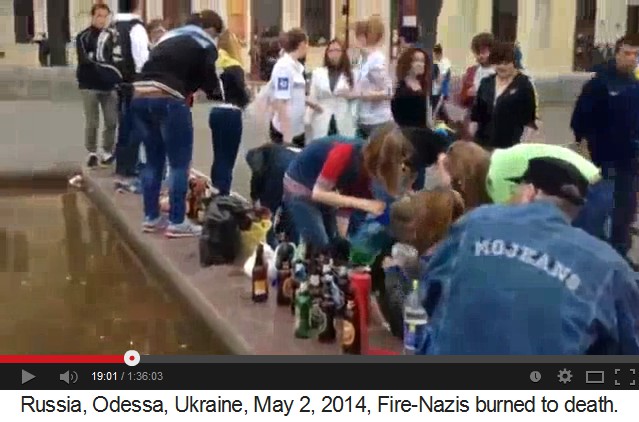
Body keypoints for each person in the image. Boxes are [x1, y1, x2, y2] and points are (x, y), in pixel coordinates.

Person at [419, 157, 639, 355]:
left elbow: (427, 295)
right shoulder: (609, 265)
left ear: (530, 192)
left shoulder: (477, 221)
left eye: (515, 188)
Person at [130, 10, 223, 238]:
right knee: (179, 163)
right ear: (211, 30)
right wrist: (216, 94)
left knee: (152, 162)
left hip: (140, 96)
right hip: (170, 98)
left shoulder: (167, 37)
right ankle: (177, 221)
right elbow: (208, 80)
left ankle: (151, 217)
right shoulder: (204, 42)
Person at [282, 124, 414, 249]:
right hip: (301, 184)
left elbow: (347, 207)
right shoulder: (345, 151)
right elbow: (318, 194)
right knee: (320, 243)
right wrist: (365, 204)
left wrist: (342, 240)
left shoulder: (370, 172)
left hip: (329, 190)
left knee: (336, 244)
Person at [571, 34, 639, 260]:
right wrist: (583, 149)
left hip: (630, 161)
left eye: (635, 55)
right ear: (617, 53)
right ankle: (591, 255)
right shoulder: (599, 83)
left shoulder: (635, 85)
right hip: (602, 161)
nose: (631, 59)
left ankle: (619, 255)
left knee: (625, 211)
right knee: (598, 210)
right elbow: (580, 119)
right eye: (626, 53)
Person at [470, 41, 538, 149]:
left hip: (510, 148)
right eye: (497, 63)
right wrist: (471, 143)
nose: (501, 67)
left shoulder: (524, 85)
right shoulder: (486, 83)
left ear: (514, 63)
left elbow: (530, 123)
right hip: (482, 146)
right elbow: (475, 117)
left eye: (506, 63)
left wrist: (522, 146)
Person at [75, 3, 119, 168]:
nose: (102, 19)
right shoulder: (83, 37)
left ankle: (107, 151)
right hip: (89, 85)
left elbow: (116, 59)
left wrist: (114, 76)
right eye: (99, 16)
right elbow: (86, 61)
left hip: (109, 87)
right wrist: (107, 68)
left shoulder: (112, 37)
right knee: (92, 121)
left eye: (105, 16)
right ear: (92, 17)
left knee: (111, 120)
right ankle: (92, 152)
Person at [208, 29, 250, 196]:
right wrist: (248, 100)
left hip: (216, 111)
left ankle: (215, 190)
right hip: (232, 112)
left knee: (218, 156)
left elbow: (210, 91)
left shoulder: (216, 65)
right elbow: (241, 92)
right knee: (228, 158)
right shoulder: (234, 65)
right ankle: (223, 194)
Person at [113, 0, 150, 177]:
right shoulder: (136, 27)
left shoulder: (113, 26)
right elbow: (142, 59)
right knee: (136, 125)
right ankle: (131, 165)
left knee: (124, 125)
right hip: (135, 82)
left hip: (119, 80)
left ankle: (121, 164)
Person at [347, 16, 394, 138]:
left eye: (352, 36)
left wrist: (363, 95)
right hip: (363, 118)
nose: (349, 40)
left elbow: (388, 91)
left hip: (378, 120)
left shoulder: (377, 59)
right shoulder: (363, 59)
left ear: (362, 37)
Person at [305, 39, 357, 140]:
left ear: (343, 53)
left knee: (344, 148)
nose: (334, 54)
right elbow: (312, 96)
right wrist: (307, 119)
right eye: (330, 51)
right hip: (322, 117)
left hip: (344, 117)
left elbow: (356, 98)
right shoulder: (318, 73)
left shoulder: (353, 73)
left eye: (337, 50)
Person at [268, 28, 309, 148]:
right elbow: (281, 101)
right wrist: (287, 137)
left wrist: (312, 104)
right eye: (307, 44)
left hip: (298, 129)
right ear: (302, 44)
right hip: (285, 132)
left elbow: (295, 94)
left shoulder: (297, 66)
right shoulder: (284, 68)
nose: (308, 48)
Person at [391, 47, 431, 128]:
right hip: (408, 132)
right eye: (416, 60)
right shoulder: (401, 89)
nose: (421, 64)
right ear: (408, 63)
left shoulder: (423, 84)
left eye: (423, 61)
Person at [458, 33, 495, 110]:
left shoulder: (501, 72)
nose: (480, 55)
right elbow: (462, 100)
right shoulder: (471, 71)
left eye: (483, 52)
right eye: (477, 52)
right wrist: (468, 93)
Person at [431, 44, 451, 122]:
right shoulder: (437, 64)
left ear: (438, 54)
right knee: (438, 110)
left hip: (441, 91)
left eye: (434, 55)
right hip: (436, 91)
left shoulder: (445, 62)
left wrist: (436, 88)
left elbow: (440, 79)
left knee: (435, 110)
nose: (434, 57)